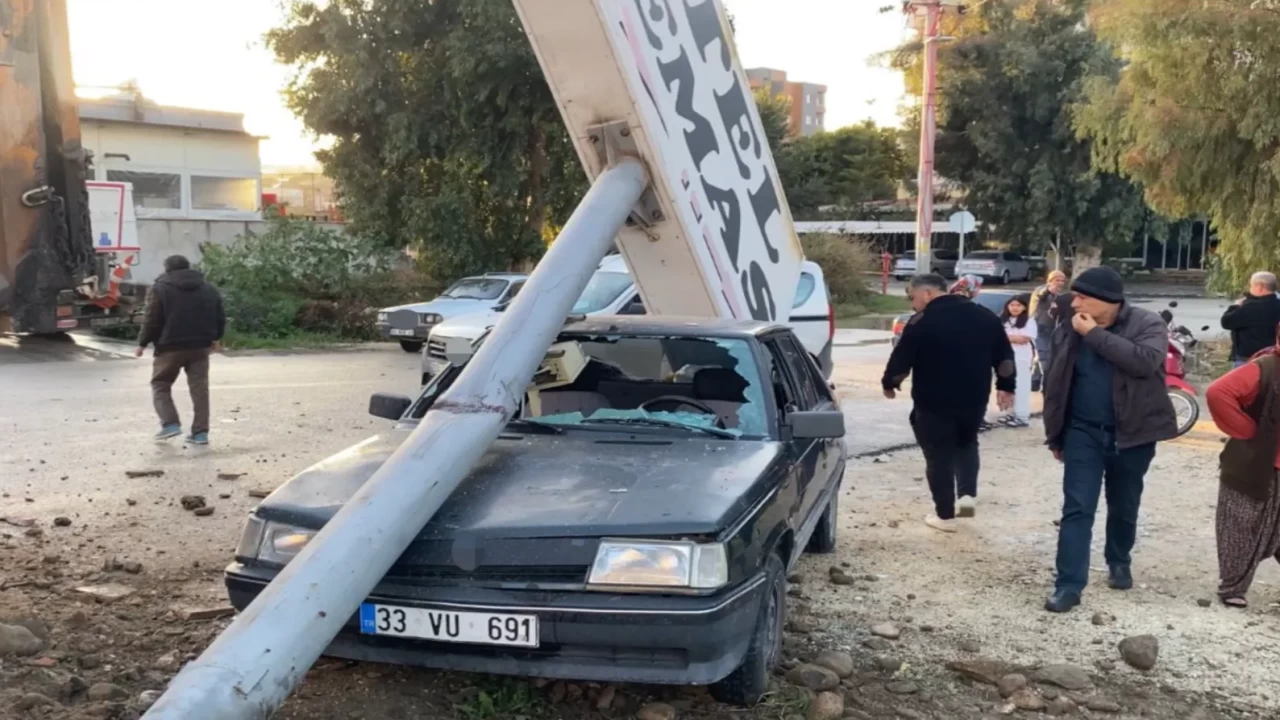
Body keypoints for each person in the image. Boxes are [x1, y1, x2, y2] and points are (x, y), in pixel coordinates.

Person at [1040, 266, 1177, 612]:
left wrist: (1094, 335)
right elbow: (1056, 383)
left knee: (1124, 503)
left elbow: (1144, 362)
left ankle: (1119, 560)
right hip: (1082, 432)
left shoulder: (1147, 324)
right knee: (1077, 508)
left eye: (1083, 296)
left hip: (1133, 434)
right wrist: (1055, 434)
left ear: (1108, 301)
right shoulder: (1069, 328)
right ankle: (1068, 585)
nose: (1075, 303)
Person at [882, 274, 1015, 532]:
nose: (913, 303)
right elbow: (1005, 357)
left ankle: (945, 516)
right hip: (974, 399)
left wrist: (890, 383)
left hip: (934, 402)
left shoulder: (921, 322)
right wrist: (1006, 387)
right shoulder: (985, 317)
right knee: (967, 445)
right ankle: (966, 505)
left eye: (913, 296)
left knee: (938, 455)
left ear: (928, 293)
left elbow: (901, 359)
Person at [1204, 327, 1280, 608]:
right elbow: (1218, 392)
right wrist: (1246, 430)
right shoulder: (1266, 368)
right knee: (1238, 525)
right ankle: (1233, 587)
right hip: (1252, 464)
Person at [135, 255, 226, 444]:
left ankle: (170, 424)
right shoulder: (209, 289)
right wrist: (216, 339)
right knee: (200, 389)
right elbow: (219, 316)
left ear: (167, 269)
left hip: (170, 347)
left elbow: (152, 319)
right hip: (201, 346)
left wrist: (142, 343)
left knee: (160, 383)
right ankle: (200, 433)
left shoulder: (160, 289)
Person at [1221, 272, 1280, 367]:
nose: (1250, 289)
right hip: (1274, 357)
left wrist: (1235, 306)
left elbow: (1226, 322)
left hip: (1248, 358)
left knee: (1242, 382)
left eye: (1251, 286)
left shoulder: (1250, 307)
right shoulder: (1277, 305)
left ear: (1260, 287)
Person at [998, 294, 1037, 428]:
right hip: (1004, 358)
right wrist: (1011, 337)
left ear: (1024, 307)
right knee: (1008, 386)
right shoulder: (1002, 320)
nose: (1015, 308)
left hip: (1021, 358)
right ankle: (1011, 413)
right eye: (1012, 305)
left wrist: (1005, 337)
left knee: (1021, 387)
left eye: (1018, 305)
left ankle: (1021, 416)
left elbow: (1025, 338)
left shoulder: (1029, 321)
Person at [1029, 270, 1068, 369]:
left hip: (1051, 327)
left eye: (1062, 281)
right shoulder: (1040, 289)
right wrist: (1048, 290)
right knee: (1044, 356)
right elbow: (1041, 295)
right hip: (1038, 326)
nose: (1060, 283)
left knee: (1042, 356)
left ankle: (1035, 380)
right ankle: (1044, 380)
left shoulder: (1059, 295)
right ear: (1050, 280)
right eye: (1057, 280)